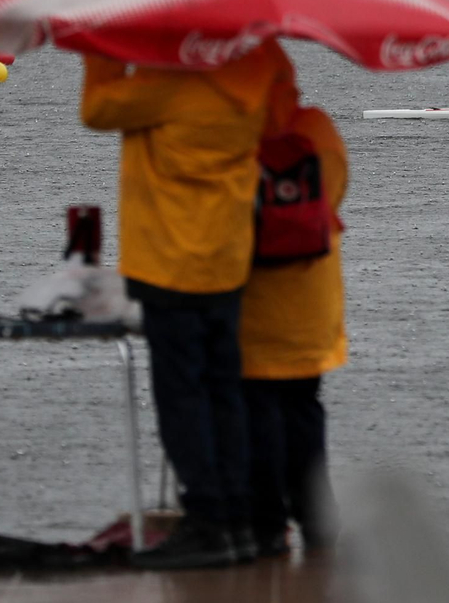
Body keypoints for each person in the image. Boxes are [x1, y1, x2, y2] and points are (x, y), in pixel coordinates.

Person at [80, 38, 295, 570]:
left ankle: (207, 520)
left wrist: (102, 48)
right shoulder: (258, 69)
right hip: (227, 259)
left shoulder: (168, 83)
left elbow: (98, 109)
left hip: (169, 262)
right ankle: (239, 521)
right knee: (225, 391)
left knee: (182, 399)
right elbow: (282, 116)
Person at [239, 77, 346, 557]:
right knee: (304, 410)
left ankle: (267, 525)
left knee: (258, 413)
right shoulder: (317, 128)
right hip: (311, 297)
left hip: (255, 299)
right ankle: (318, 521)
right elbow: (335, 195)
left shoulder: (232, 137)